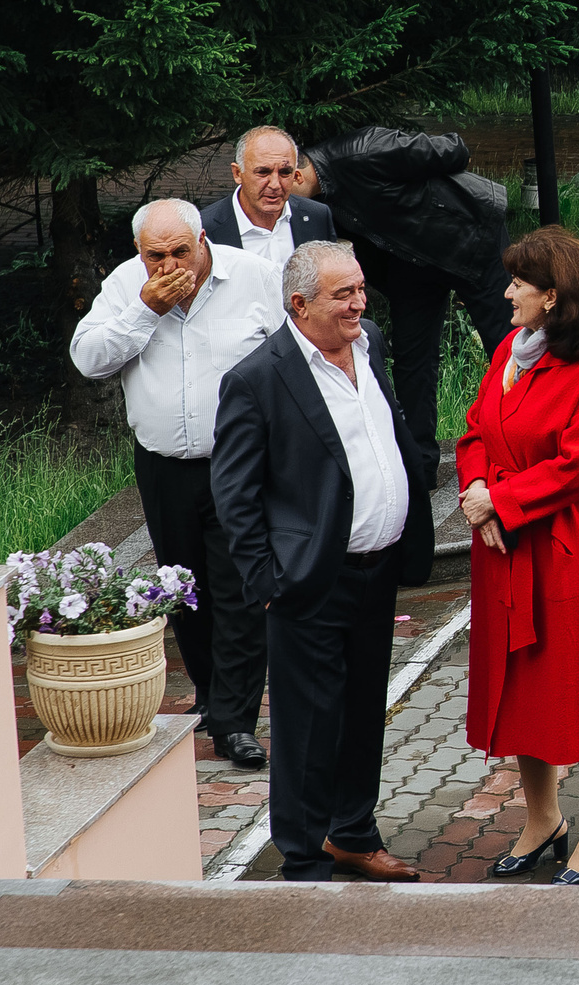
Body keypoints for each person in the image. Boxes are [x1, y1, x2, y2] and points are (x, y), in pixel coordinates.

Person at [211, 240, 435, 881]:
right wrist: (269, 582)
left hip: (380, 569)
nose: (359, 304)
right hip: (308, 582)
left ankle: (354, 834)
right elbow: (236, 495)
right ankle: (303, 858)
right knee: (308, 728)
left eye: (361, 289)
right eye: (344, 294)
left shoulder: (372, 346)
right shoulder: (257, 378)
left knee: (365, 711)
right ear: (299, 304)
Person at [69, 199, 283, 770]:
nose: (167, 266)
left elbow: (294, 357)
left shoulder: (255, 277)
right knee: (187, 593)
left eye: (178, 252)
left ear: (203, 243)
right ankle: (214, 697)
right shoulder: (127, 287)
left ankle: (236, 723)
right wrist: (143, 310)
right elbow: (88, 359)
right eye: (154, 256)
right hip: (164, 466)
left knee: (240, 593)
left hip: (239, 465)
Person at [456, 226, 579, 884]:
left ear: (553, 296)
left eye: (518, 284)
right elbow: (476, 427)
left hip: (564, 543)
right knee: (523, 685)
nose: (507, 293)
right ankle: (542, 818)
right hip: (502, 538)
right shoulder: (509, 347)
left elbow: (577, 464)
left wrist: (500, 502)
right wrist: (477, 488)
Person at [291, 127, 512, 469]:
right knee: (412, 361)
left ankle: (524, 445)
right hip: (413, 265)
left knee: (507, 347)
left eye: (281, 179)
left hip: (471, 242)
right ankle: (420, 465)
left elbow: (454, 149)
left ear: (297, 173)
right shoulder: (314, 205)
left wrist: (433, 197)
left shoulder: (363, 150)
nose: (275, 193)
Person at [200, 126, 335, 271]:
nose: (275, 184)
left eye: (285, 173)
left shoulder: (317, 217)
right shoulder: (205, 228)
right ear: (237, 173)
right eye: (263, 172)